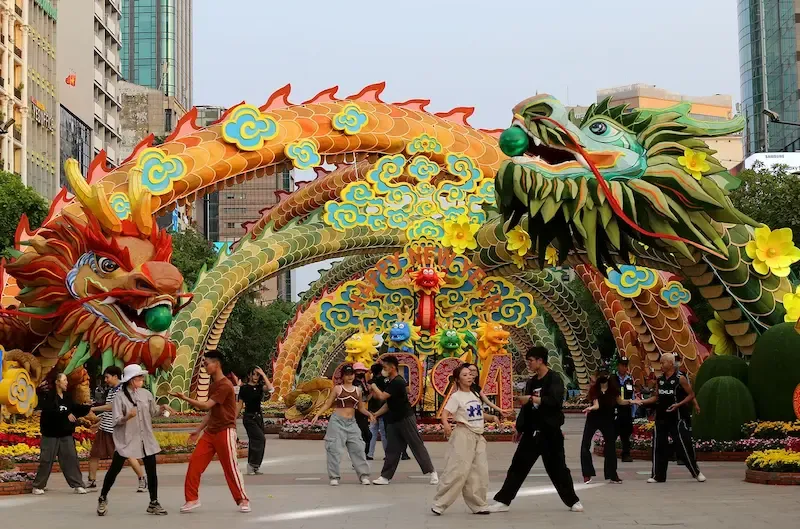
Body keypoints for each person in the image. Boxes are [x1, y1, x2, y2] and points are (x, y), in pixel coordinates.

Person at [488, 347, 582, 513]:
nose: (529, 364)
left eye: (531, 360)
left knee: (558, 468)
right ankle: (503, 501)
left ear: (540, 360)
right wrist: (519, 428)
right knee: (518, 467)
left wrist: (531, 399)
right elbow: (526, 409)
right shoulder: (531, 382)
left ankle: (573, 501)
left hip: (550, 433)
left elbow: (554, 402)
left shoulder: (554, 379)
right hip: (531, 433)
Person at [170, 351, 250, 513]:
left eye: (206, 364)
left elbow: (206, 406)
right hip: (210, 433)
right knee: (195, 463)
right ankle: (192, 499)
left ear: (217, 364)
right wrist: (198, 431)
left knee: (230, 467)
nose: (205, 367)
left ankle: (243, 499)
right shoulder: (213, 385)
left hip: (225, 431)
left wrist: (184, 398)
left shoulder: (225, 385)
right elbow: (211, 412)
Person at [97, 364, 170, 516]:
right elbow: (116, 421)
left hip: (146, 439)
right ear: (131, 380)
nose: (142, 379)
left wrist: (162, 409)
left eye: (142, 377)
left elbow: (153, 412)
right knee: (114, 470)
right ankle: (103, 497)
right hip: (127, 440)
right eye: (139, 377)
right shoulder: (120, 397)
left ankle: (153, 502)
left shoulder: (146, 394)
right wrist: (127, 417)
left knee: (152, 471)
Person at [431, 364, 499, 515]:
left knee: (479, 472)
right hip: (463, 434)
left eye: (470, 374)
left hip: (478, 436)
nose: (469, 377)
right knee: (458, 471)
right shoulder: (456, 396)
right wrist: (447, 425)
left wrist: (492, 417)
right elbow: (445, 413)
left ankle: (479, 505)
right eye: (465, 375)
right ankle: (440, 504)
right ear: (458, 379)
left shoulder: (475, 394)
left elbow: (479, 414)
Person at [633, 353, 705, 483]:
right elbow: (657, 397)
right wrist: (642, 402)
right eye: (660, 363)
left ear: (671, 364)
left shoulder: (680, 378)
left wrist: (679, 404)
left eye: (663, 363)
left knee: (683, 445)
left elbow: (691, 394)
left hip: (676, 418)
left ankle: (696, 472)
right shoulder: (660, 380)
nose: (661, 365)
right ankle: (658, 475)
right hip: (661, 417)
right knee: (658, 446)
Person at [370, 355, 438, 485]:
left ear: (392, 367)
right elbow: (388, 404)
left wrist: (373, 384)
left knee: (416, 445)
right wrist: (376, 414)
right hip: (393, 420)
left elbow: (382, 397)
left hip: (405, 418)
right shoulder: (391, 382)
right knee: (392, 449)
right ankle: (385, 477)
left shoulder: (398, 381)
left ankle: (432, 472)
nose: (383, 370)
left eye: (385, 367)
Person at [87, 366, 147, 492]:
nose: (106, 380)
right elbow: (110, 412)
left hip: (119, 429)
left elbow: (112, 407)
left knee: (129, 455)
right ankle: (91, 481)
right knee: (94, 454)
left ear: (115, 377)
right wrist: (99, 423)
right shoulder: (111, 391)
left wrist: (93, 409)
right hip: (105, 428)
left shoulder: (122, 390)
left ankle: (142, 479)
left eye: (107, 377)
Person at [311, 364, 374, 486]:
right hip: (337, 422)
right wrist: (317, 414)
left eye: (352, 374)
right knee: (334, 449)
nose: (350, 377)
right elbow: (328, 404)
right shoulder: (337, 389)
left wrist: (369, 414)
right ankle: (334, 476)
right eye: (347, 374)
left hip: (352, 423)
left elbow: (360, 407)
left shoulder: (358, 390)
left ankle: (364, 476)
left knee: (358, 449)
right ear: (343, 376)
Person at [32, 373, 93, 495]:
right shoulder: (48, 396)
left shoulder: (67, 397)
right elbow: (49, 412)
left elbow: (73, 409)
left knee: (71, 459)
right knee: (46, 461)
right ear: (57, 382)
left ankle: (78, 485)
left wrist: (86, 407)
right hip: (50, 435)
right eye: (64, 380)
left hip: (66, 434)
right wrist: (65, 414)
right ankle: (38, 486)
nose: (66, 382)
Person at [580, 372, 632, 484]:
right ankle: (587, 474)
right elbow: (596, 405)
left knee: (610, 446)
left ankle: (612, 474)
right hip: (593, 419)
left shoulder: (613, 390)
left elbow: (620, 401)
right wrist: (590, 408)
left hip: (607, 419)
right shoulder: (594, 389)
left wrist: (631, 402)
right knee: (585, 445)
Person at [366, 362, 410, 461]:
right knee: (384, 433)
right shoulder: (388, 381)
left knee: (373, 432)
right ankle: (388, 454)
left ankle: (370, 454)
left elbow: (371, 396)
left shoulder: (371, 382)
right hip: (384, 409)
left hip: (374, 409)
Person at [237, 366, 273, 475]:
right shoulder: (244, 389)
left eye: (257, 375)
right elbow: (239, 405)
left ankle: (255, 466)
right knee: (260, 439)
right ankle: (251, 465)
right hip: (249, 417)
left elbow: (271, 389)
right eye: (254, 374)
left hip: (258, 417)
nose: (255, 377)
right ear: (249, 375)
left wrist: (263, 374)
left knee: (256, 441)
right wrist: (233, 419)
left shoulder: (260, 387)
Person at [615, 358, 635, 462]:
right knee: (613, 431)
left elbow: (632, 395)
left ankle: (626, 454)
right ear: (618, 366)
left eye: (625, 365)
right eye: (622, 365)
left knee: (626, 433)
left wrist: (633, 411)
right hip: (615, 409)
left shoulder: (629, 379)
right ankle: (610, 452)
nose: (624, 368)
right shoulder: (613, 378)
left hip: (626, 409)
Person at [351, 362, 373, 455]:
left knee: (366, 434)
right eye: (358, 371)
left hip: (363, 409)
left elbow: (366, 397)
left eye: (362, 371)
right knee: (363, 434)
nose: (361, 372)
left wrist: (371, 391)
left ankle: (363, 454)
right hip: (357, 410)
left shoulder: (362, 382)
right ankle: (361, 455)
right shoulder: (355, 384)